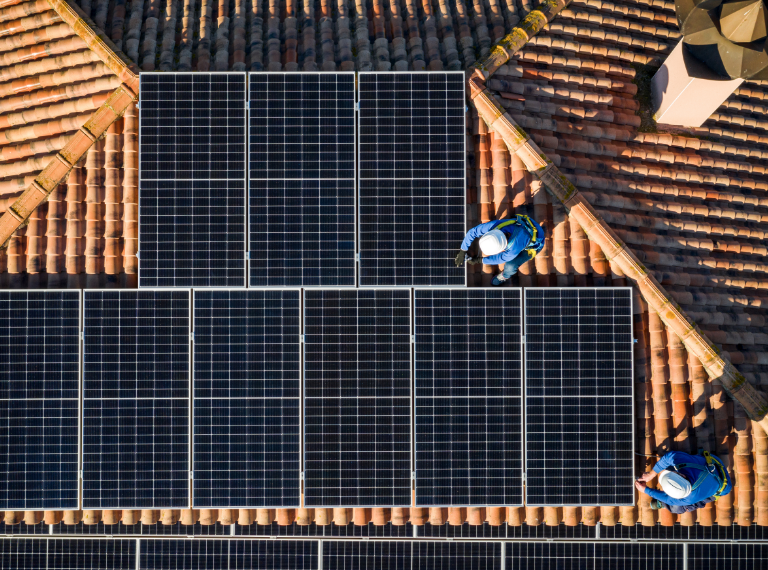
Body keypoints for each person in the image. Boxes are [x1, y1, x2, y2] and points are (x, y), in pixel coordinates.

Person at [454, 215, 545, 286]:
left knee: (511, 266)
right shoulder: (494, 226)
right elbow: (472, 232)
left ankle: (504, 276)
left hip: (536, 240)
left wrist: (479, 260)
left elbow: (500, 259)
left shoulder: (513, 248)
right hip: (526, 224)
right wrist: (463, 250)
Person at [635, 450, 732, 514]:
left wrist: (646, 490)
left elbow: (668, 500)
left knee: (677, 508)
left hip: (722, 486)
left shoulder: (688, 500)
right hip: (716, 465)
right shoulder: (684, 463)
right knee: (670, 466)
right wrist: (651, 475)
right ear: (682, 475)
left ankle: (662, 504)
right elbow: (669, 457)